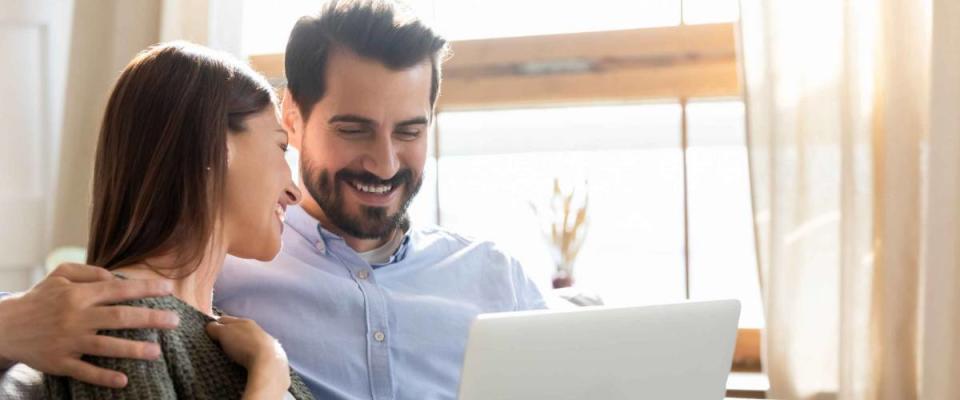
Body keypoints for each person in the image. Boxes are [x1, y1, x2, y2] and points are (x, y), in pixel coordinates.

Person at [1, 1, 546, 399]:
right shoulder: (215, 282)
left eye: (409, 131)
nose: (384, 163)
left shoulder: (496, 276)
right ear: (292, 116)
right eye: (353, 130)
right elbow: (76, 308)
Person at [39, 41, 314, 399]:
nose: (295, 192)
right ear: (215, 144)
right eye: (280, 147)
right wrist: (269, 376)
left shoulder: (232, 335)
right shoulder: (121, 321)